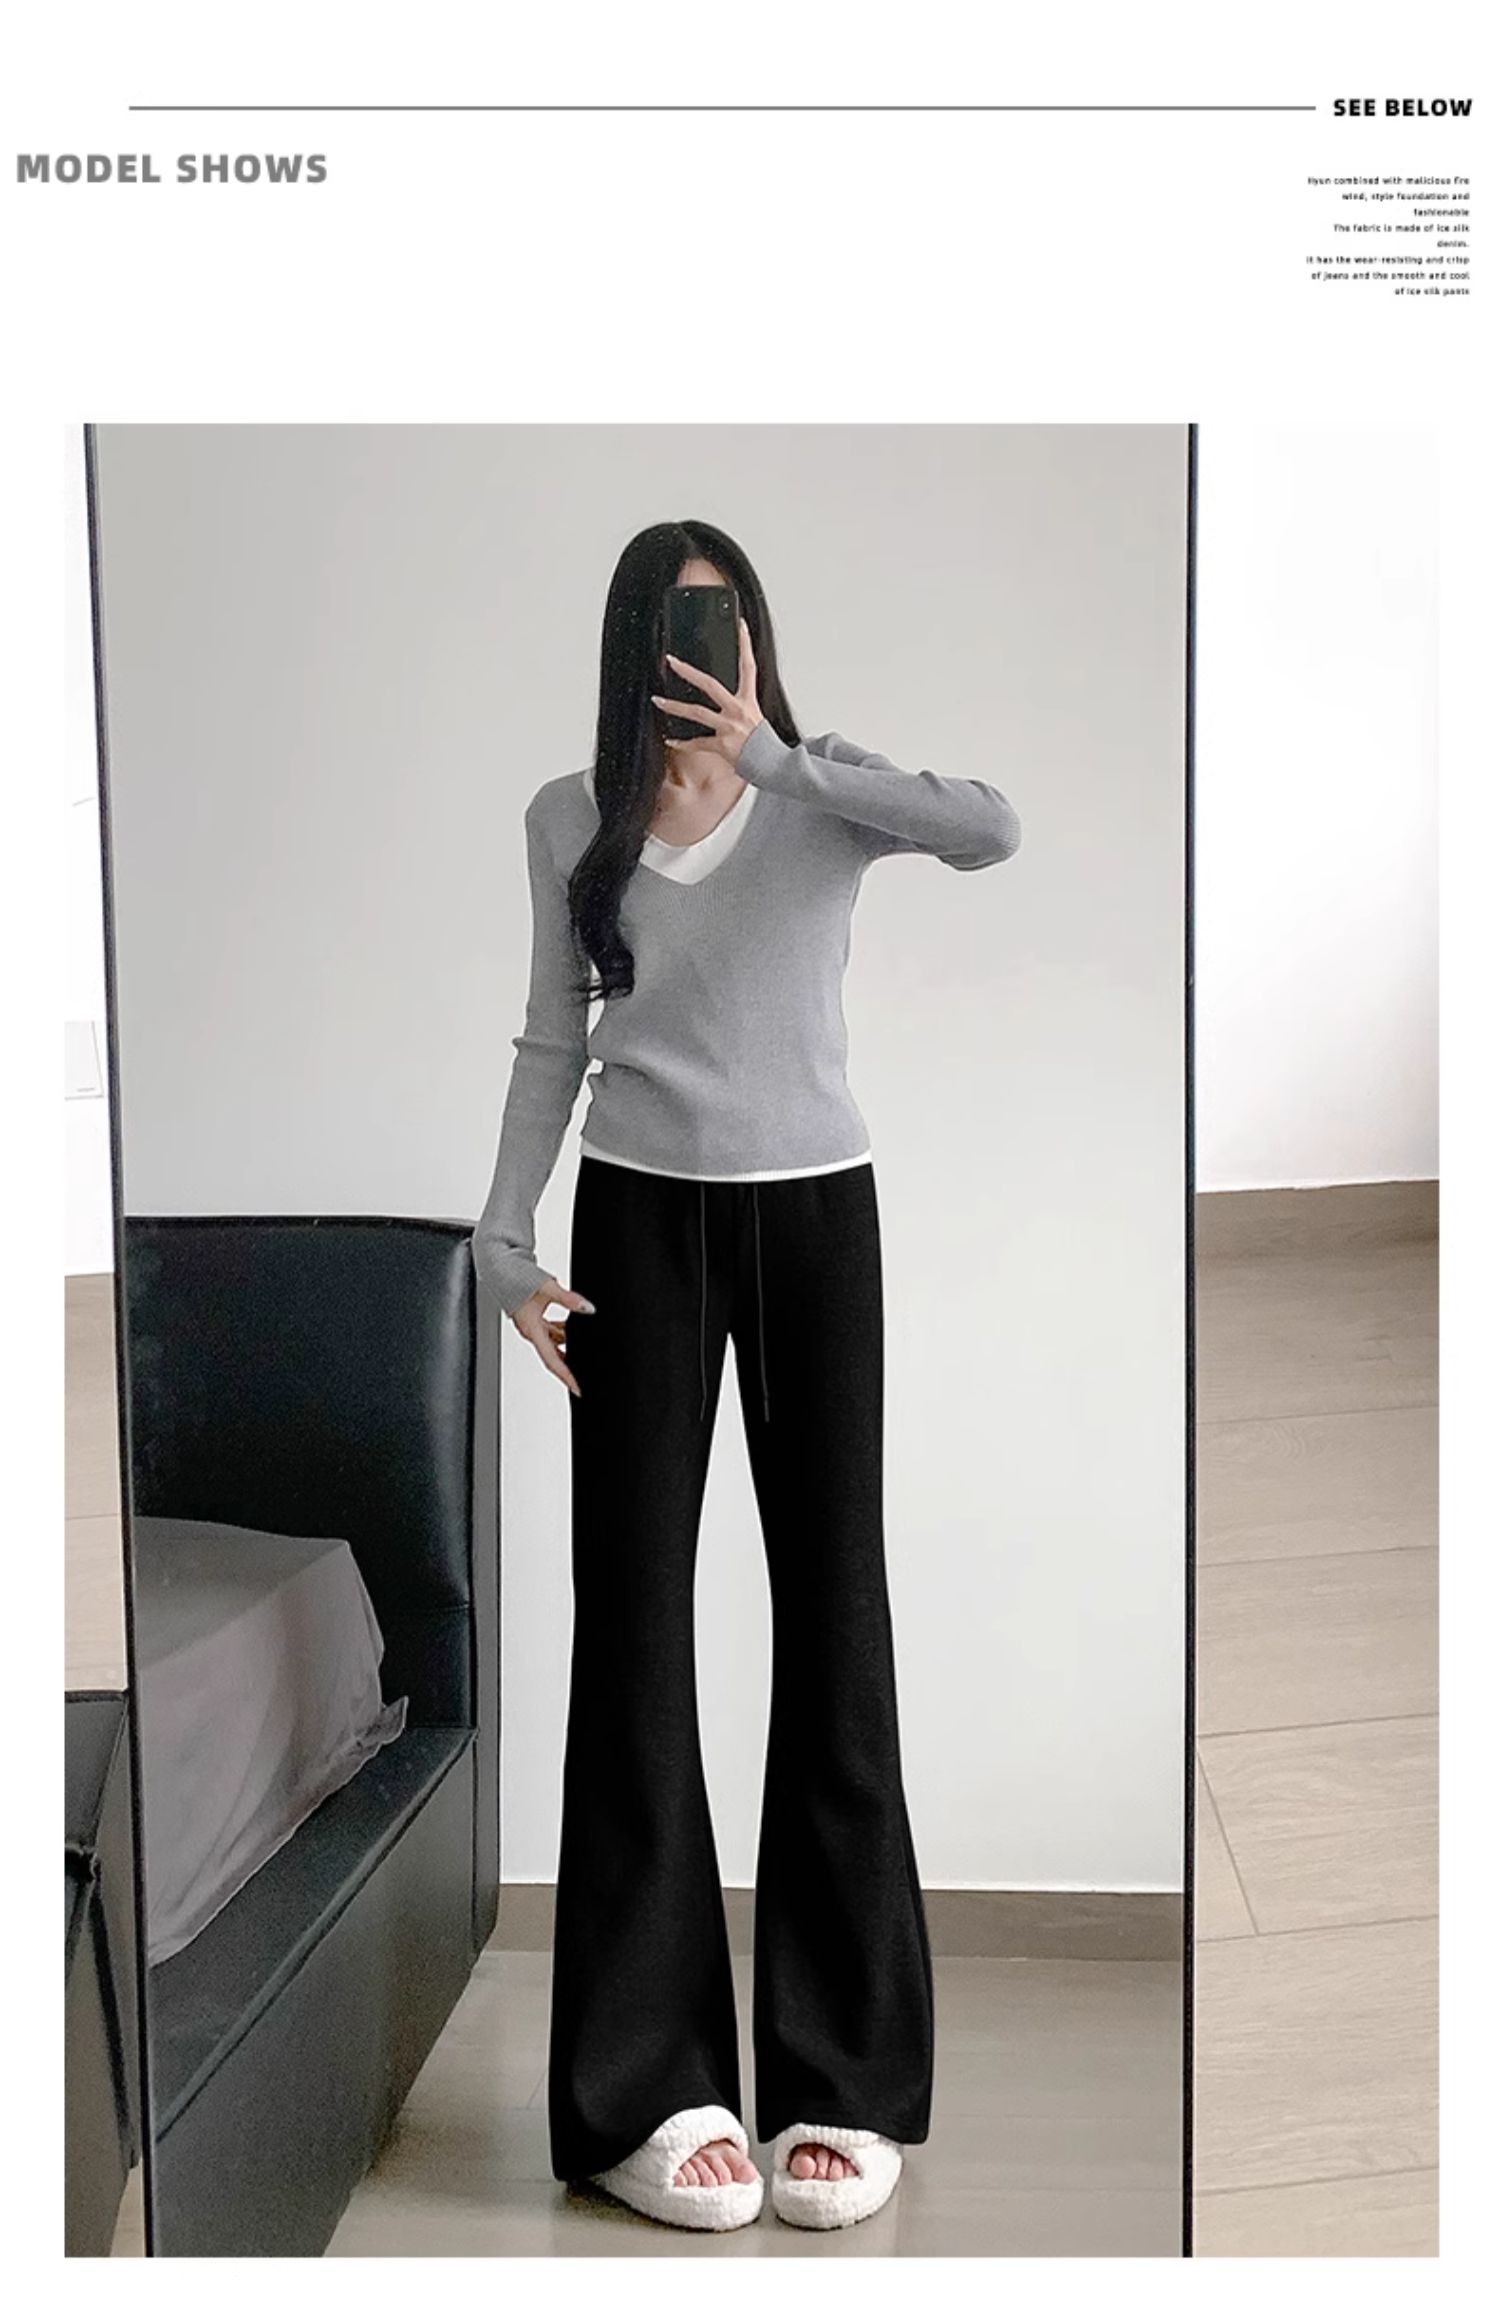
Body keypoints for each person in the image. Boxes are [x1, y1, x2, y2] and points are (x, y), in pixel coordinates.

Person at [472, 517, 1021, 2231]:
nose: (704, 648)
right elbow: (554, 1034)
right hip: (637, 1228)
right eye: (677, 623)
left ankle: (839, 2074)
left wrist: (781, 755)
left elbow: (994, 828)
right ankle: (645, 2089)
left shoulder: (823, 790)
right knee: (634, 1628)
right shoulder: (571, 816)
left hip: (815, 1227)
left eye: (729, 620)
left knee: (835, 1617)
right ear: (632, 642)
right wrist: (503, 1234)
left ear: (759, 639)